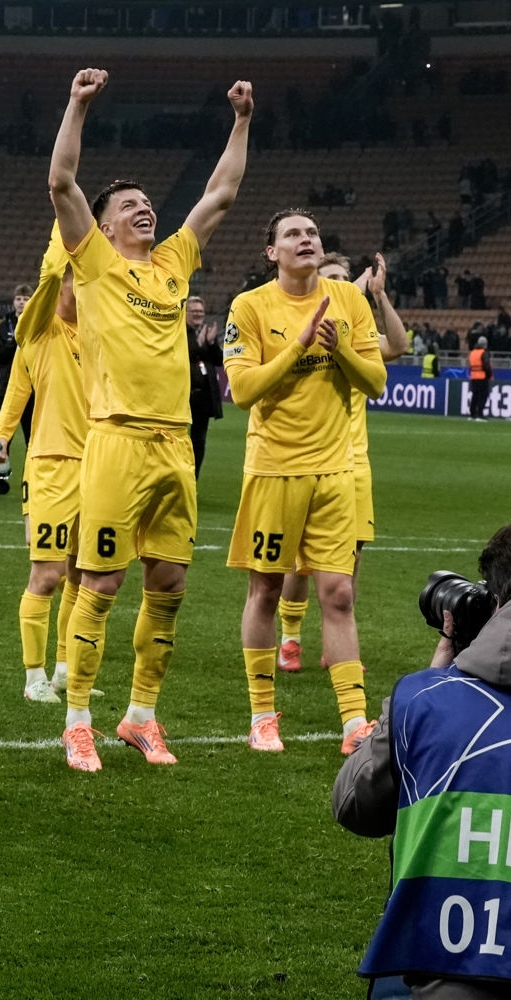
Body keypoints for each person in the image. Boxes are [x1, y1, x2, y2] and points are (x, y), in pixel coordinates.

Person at [48, 67, 252, 772]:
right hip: (116, 440)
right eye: (130, 204)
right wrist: (78, 106)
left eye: (146, 203)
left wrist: (242, 121)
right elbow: (62, 183)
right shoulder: (96, 262)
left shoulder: (173, 264)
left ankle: (140, 716)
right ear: (102, 226)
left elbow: (221, 192)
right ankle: (78, 720)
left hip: (175, 448)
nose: (144, 209)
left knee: (168, 583)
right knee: (99, 584)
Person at [222, 211, 387, 755]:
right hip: (274, 472)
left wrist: (338, 347)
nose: (306, 240)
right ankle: (263, 715)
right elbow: (243, 391)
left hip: (336, 473)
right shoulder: (249, 307)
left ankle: (353, 721)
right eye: (292, 234)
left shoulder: (352, 302)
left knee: (338, 594)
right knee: (266, 590)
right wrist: (298, 346)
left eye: (312, 233)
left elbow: (377, 380)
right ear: (271, 252)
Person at [333, 525, 511, 999]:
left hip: (435, 971)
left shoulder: (425, 702)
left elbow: (353, 805)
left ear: (494, 603)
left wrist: (433, 681)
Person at [275, 251, 409, 673]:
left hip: (355, 465)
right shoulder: (302, 330)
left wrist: (379, 295)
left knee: (350, 558)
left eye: (342, 278)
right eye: (330, 278)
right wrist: (346, 292)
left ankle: (336, 644)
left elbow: (399, 346)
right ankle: (290, 638)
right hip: (308, 458)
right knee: (300, 561)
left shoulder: (358, 340)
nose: (338, 285)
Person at [0, 226, 85, 706]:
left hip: (100, 466)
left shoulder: (98, 332)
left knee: (81, 574)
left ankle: (66, 669)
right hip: (51, 466)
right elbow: (17, 388)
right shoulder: (40, 327)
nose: (82, 292)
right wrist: (2, 435)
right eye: (76, 283)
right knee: (46, 576)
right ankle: (33, 678)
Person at [0, 286, 35, 495]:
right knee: (2, 439)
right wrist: (16, 341)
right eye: (18, 298)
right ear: (13, 302)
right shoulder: (2, 327)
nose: (22, 302)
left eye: (26, 298)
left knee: (33, 440)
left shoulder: (39, 323)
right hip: (7, 390)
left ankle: (33, 482)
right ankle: (1, 481)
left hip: (35, 392)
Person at [186, 295, 223, 476]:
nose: (198, 314)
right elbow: (185, 358)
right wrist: (200, 346)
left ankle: (193, 479)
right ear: (185, 313)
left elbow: (219, 361)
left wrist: (210, 343)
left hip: (203, 398)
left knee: (199, 440)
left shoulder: (206, 332)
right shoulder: (179, 333)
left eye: (200, 311)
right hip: (185, 396)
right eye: (194, 311)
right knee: (179, 439)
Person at [468, 335, 493, 421]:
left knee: (475, 395)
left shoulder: (472, 352)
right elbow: (486, 365)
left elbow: (470, 366)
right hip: (482, 376)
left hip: (473, 376)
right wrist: (489, 375)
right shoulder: (484, 352)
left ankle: (472, 414)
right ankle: (480, 414)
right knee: (483, 395)